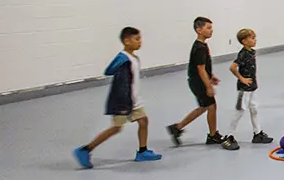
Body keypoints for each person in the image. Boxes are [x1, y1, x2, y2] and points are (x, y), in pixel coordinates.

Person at [73, 27, 162, 168]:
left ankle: (142, 151)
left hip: (134, 100)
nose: (140, 42)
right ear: (126, 41)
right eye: (137, 39)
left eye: (140, 38)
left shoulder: (134, 58)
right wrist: (122, 105)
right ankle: (85, 149)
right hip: (123, 102)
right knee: (116, 128)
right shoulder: (124, 60)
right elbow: (117, 80)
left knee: (143, 121)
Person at [168, 17, 226, 147]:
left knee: (205, 106)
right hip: (198, 82)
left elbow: (203, 67)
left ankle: (177, 128)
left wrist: (211, 76)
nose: (211, 30)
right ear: (199, 30)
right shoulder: (200, 47)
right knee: (210, 106)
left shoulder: (202, 45)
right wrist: (208, 86)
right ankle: (212, 135)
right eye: (208, 28)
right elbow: (200, 69)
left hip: (198, 80)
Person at [227, 29, 272, 146]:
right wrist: (241, 79)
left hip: (252, 87)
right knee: (239, 111)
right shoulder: (242, 54)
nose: (255, 40)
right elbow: (232, 67)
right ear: (244, 41)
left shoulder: (252, 52)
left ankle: (257, 133)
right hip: (244, 89)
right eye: (252, 38)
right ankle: (229, 136)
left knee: (254, 109)